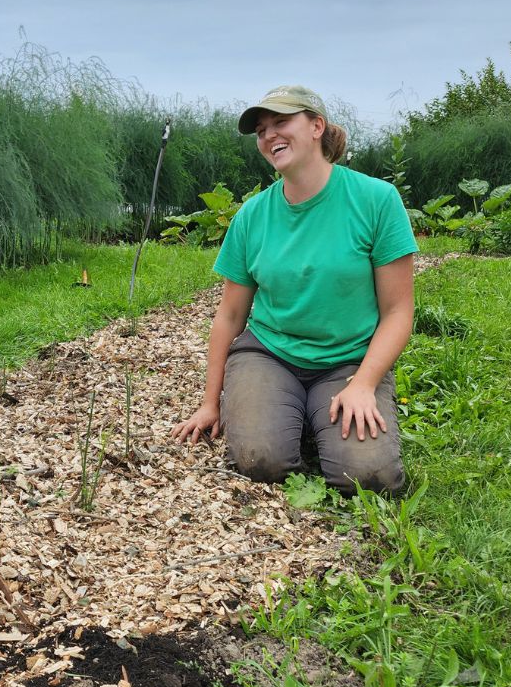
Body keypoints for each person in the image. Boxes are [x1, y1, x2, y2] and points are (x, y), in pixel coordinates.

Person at [171, 85, 417, 495]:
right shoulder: (251, 216)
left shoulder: (376, 200)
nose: (269, 136)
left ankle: (317, 408)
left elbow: (397, 312)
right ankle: (287, 408)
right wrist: (210, 402)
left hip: (348, 360)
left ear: (317, 126)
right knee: (259, 461)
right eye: (261, 130)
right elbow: (229, 317)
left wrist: (363, 384)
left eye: (281, 122)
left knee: (370, 479)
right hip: (269, 354)